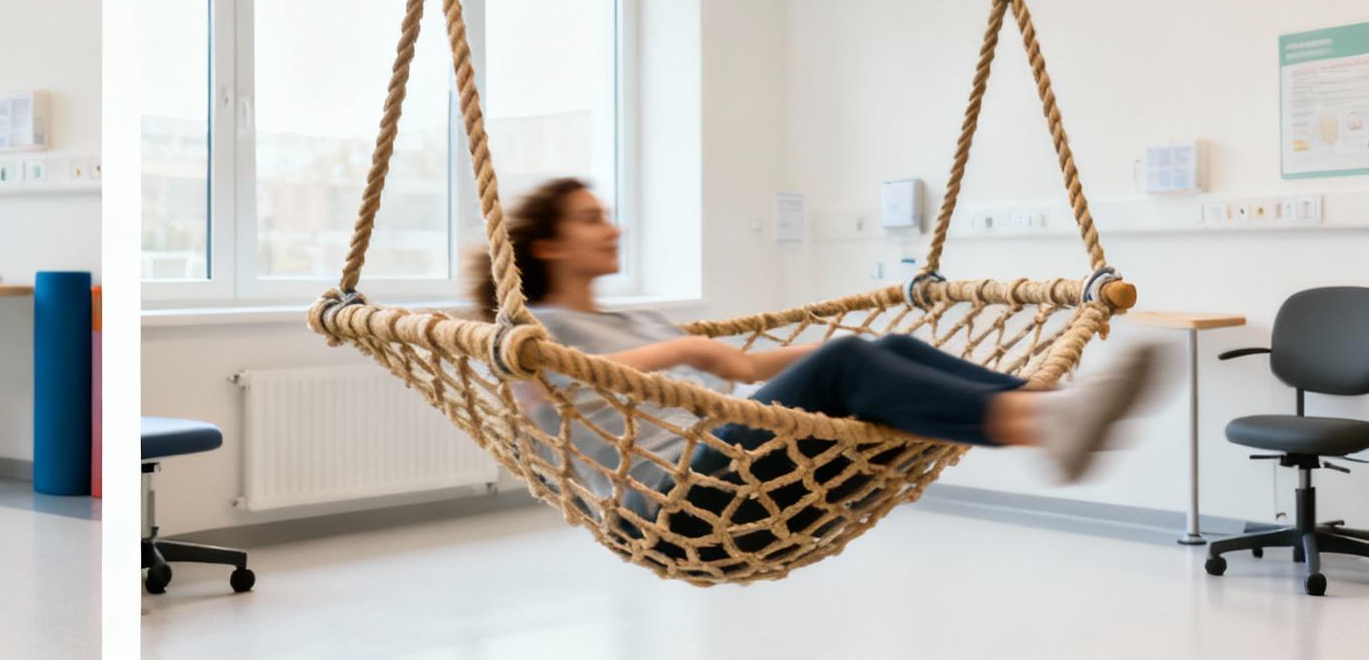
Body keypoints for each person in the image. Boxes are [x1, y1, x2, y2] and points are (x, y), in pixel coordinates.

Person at [478, 178, 1159, 558]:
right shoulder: (533, 332)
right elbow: (535, 384)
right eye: (592, 220)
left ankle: (1050, 407)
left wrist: (873, 358)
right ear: (548, 245)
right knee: (846, 363)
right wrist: (688, 350)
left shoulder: (639, 322)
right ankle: (1044, 419)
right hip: (675, 502)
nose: (613, 228)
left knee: (878, 353)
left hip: (730, 465)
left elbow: (743, 366)